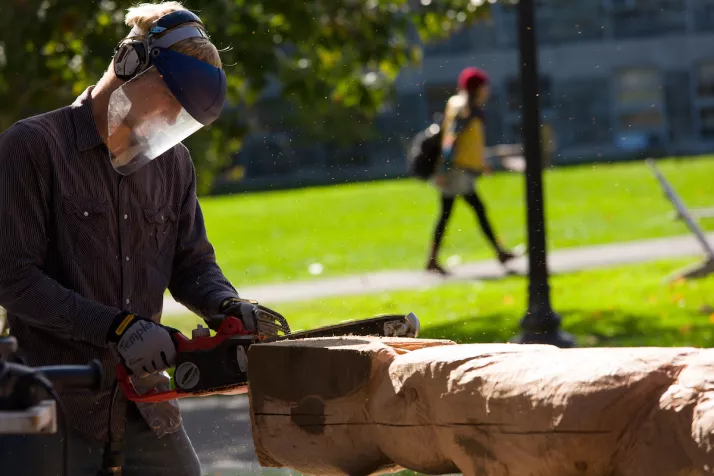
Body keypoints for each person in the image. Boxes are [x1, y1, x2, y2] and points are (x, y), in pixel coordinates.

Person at [0, 3, 265, 474]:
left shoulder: (173, 164)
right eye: (168, 101)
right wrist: (116, 328)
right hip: (51, 400)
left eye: (183, 116)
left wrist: (226, 305)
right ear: (129, 66)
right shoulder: (33, 147)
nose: (170, 120)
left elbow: (192, 263)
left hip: (144, 401)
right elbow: (14, 278)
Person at [426, 67, 516, 275]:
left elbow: (469, 142)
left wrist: (480, 162)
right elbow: (452, 138)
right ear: (476, 88)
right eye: (484, 86)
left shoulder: (462, 105)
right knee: (477, 209)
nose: (487, 90)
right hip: (456, 171)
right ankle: (499, 252)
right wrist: (444, 167)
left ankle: (432, 259)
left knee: (448, 214)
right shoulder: (465, 108)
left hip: (458, 169)